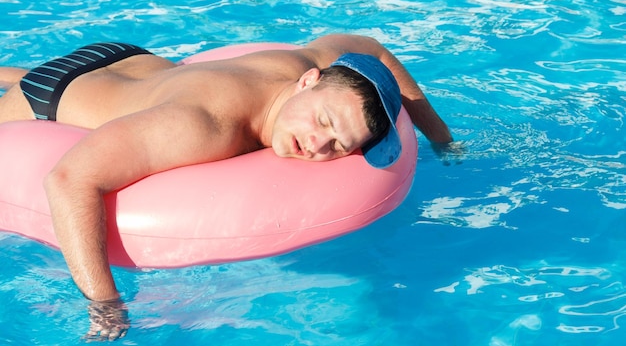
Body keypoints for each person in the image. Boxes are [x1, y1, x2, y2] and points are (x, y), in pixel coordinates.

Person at [0, 34, 452, 340]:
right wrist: (105, 306)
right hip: (49, 95)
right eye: (323, 121)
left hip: (128, 60)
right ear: (308, 82)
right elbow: (69, 179)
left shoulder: (310, 63)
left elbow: (370, 48)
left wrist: (444, 140)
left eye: (338, 144)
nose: (316, 144)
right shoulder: (203, 127)